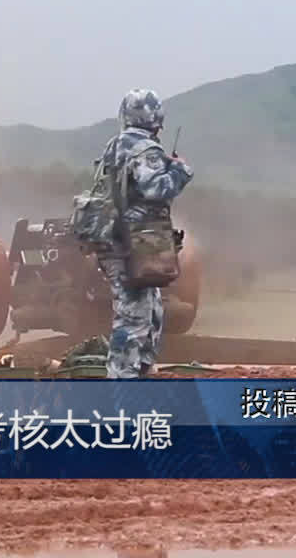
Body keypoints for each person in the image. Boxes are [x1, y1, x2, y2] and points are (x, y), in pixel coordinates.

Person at [96, 88, 194, 378]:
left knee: (151, 311)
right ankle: (123, 384)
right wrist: (179, 171)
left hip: (119, 240)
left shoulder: (115, 145)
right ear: (155, 118)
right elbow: (156, 190)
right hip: (132, 244)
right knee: (133, 319)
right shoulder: (146, 150)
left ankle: (141, 372)